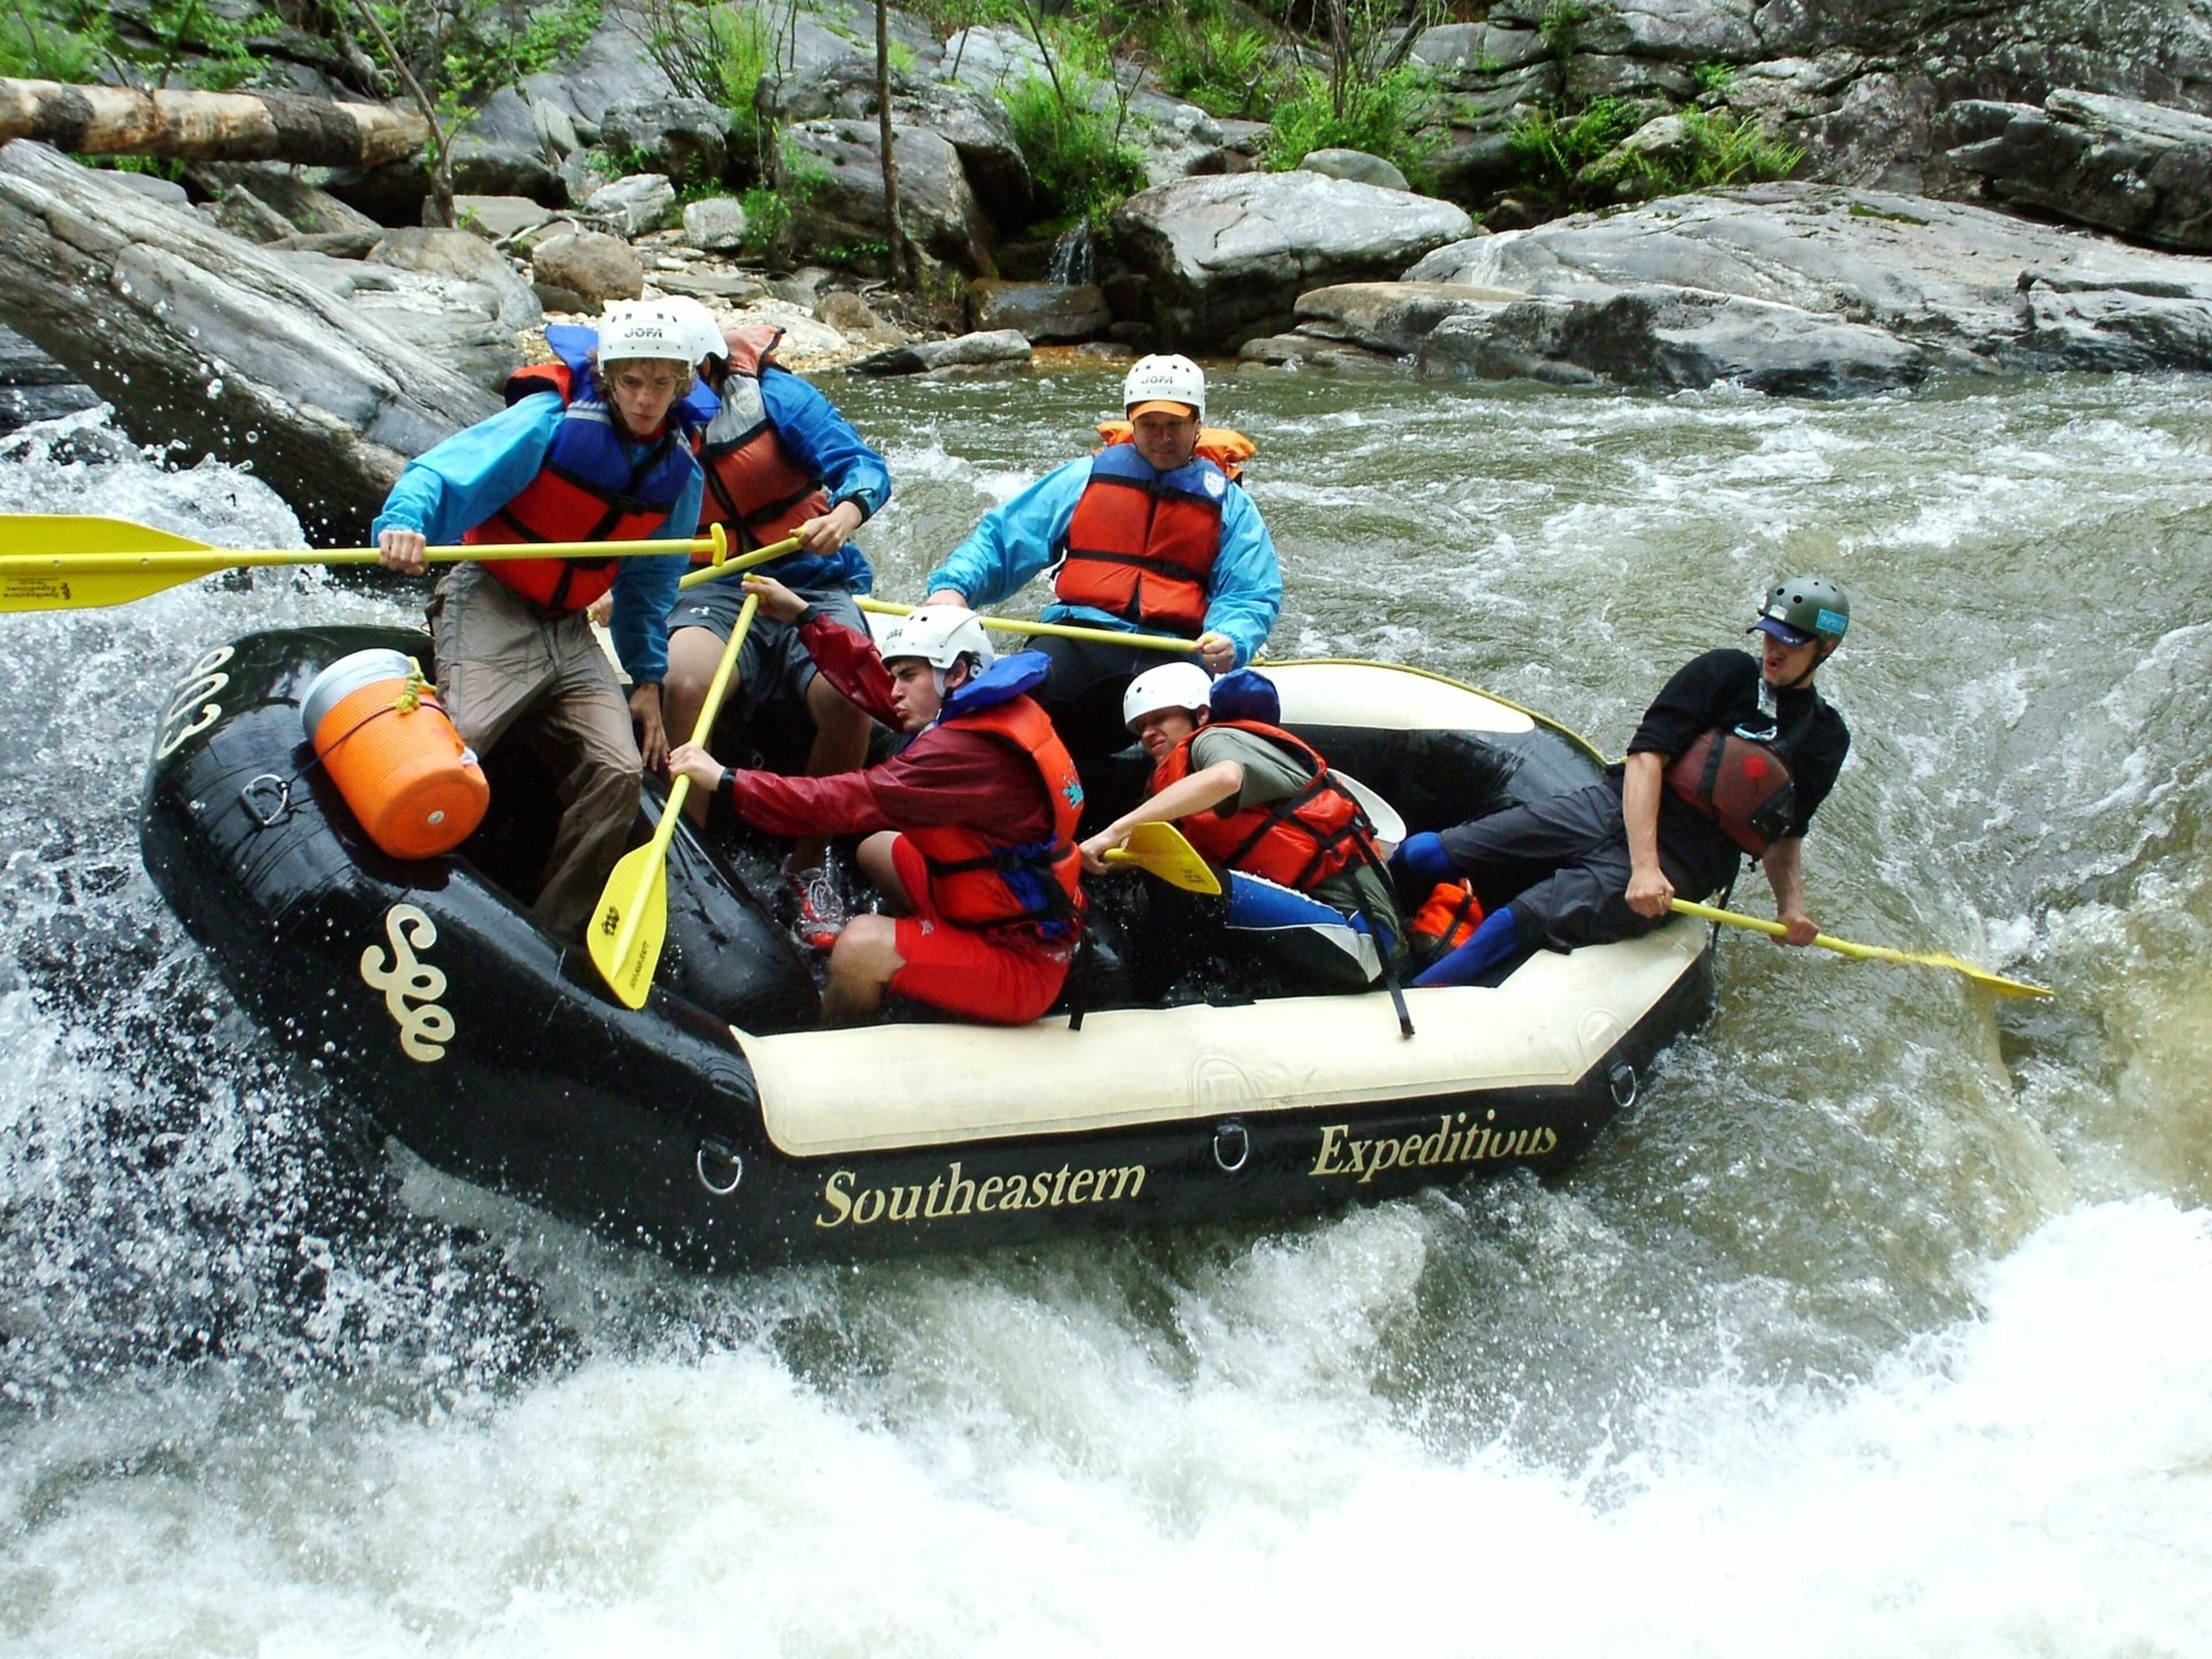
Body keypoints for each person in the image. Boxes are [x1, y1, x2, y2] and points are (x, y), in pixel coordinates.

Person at [372, 302, 700, 941]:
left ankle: (552, 938)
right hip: (491, 596)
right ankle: (396, 890)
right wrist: (405, 521)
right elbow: (442, 472)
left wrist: (649, 680)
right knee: (459, 742)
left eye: (662, 383)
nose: (645, 399)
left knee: (619, 769)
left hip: (569, 626)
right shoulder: (548, 420)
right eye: (632, 381)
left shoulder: (679, 472)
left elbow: (650, 587)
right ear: (609, 377)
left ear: (682, 385)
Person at [668, 578, 1085, 1027]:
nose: (896, 690)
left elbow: (841, 801)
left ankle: (838, 1034)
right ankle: (925, 958)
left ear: (958, 672)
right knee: (876, 847)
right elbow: (873, 681)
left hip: (1017, 962)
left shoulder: (964, 756)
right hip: (986, 904)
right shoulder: (983, 706)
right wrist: (805, 617)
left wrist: (726, 780)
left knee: (857, 946)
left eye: (909, 676)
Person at [1399, 577, 1854, 987]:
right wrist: (1642, 865)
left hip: (1686, 862)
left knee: (1513, 921)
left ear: (1826, 648)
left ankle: (1406, 1002)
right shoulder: (1725, 672)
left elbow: (1788, 833)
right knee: (1426, 854)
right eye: (1771, 635)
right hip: (1614, 807)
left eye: (1791, 643)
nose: (1774, 650)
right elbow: (1646, 758)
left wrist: (1791, 908)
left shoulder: (1824, 739)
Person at [654, 297, 889, 936]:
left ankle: (809, 865)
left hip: (809, 578)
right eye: (649, 374)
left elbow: (863, 467)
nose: (660, 390)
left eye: (674, 375)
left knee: (849, 698)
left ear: (708, 365)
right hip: (713, 585)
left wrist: (845, 514)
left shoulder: (776, 397)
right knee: (686, 684)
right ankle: (692, 864)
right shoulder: (642, 417)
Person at [919, 354, 1282, 762]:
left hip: (1171, 651)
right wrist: (954, 587)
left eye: (1174, 426)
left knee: (1191, 737)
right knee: (1007, 707)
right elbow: (1006, 539)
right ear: (1132, 423)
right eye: (1149, 425)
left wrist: (1232, 636)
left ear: (1198, 424)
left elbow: (1251, 592)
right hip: (1081, 639)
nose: (1162, 438)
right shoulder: (1084, 478)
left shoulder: (1230, 505)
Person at [1078, 661, 1404, 995]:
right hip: (1317, 919)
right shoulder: (1174, 782)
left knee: (1192, 889)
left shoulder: (1217, 739)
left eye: (1160, 718)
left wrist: (1114, 831)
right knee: (1153, 888)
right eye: (1141, 726)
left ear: (1201, 714)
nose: (1148, 733)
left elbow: (1226, 778)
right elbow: (1148, 851)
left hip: (1362, 940)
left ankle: (1138, 1000)